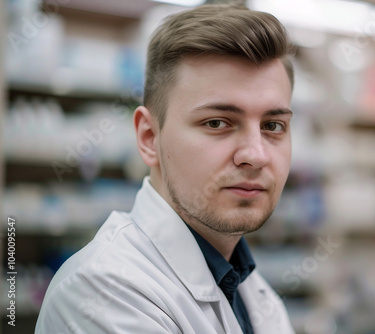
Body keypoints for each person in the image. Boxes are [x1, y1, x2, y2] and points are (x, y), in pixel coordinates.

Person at [35, 4, 295, 333]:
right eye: (217, 122)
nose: (256, 155)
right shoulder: (104, 292)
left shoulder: (250, 287)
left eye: (273, 125)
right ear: (149, 138)